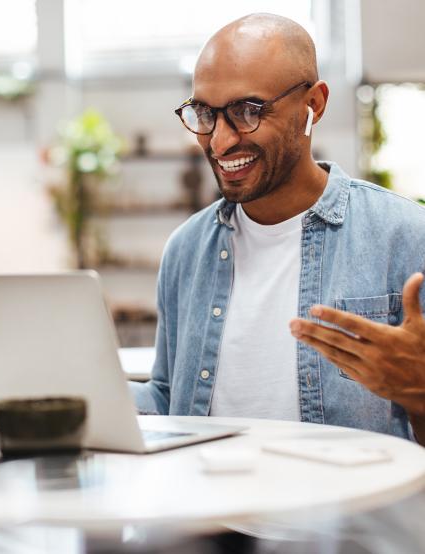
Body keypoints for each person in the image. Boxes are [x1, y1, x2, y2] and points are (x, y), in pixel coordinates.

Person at [129, 13, 425, 445]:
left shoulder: (403, 236)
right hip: (211, 511)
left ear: (314, 104)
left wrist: (420, 391)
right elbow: (171, 397)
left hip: (352, 512)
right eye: (204, 113)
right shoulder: (186, 249)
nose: (219, 142)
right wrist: (84, 393)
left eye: (248, 111)